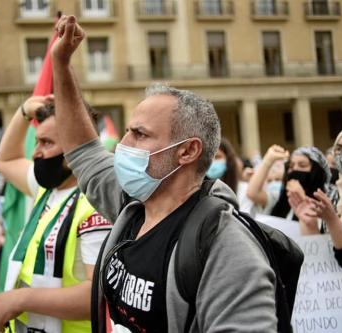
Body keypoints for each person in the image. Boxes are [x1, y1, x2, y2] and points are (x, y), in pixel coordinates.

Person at [50, 15, 277, 332]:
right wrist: (61, 64)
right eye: (127, 131)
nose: (122, 145)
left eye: (140, 135)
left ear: (187, 151)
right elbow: (84, 150)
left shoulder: (224, 247)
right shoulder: (134, 206)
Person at [0, 95, 112, 332]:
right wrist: (24, 112)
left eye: (46, 143)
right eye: (37, 142)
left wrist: (21, 299)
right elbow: (6, 160)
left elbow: (99, 295)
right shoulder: (47, 189)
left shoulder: (96, 203)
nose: (36, 152)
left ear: (76, 150)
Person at [294, 125, 342, 274]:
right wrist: (309, 224)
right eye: (339, 148)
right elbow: (325, 250)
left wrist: (332, 220)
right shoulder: (335, 194)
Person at [247, 144, 332, 222]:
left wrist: (302, 199)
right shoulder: (281, 197)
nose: (295, 169)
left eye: (302, 165)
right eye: (291, 166)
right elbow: (253, 193)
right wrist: (268, 159)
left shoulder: (328, 200)